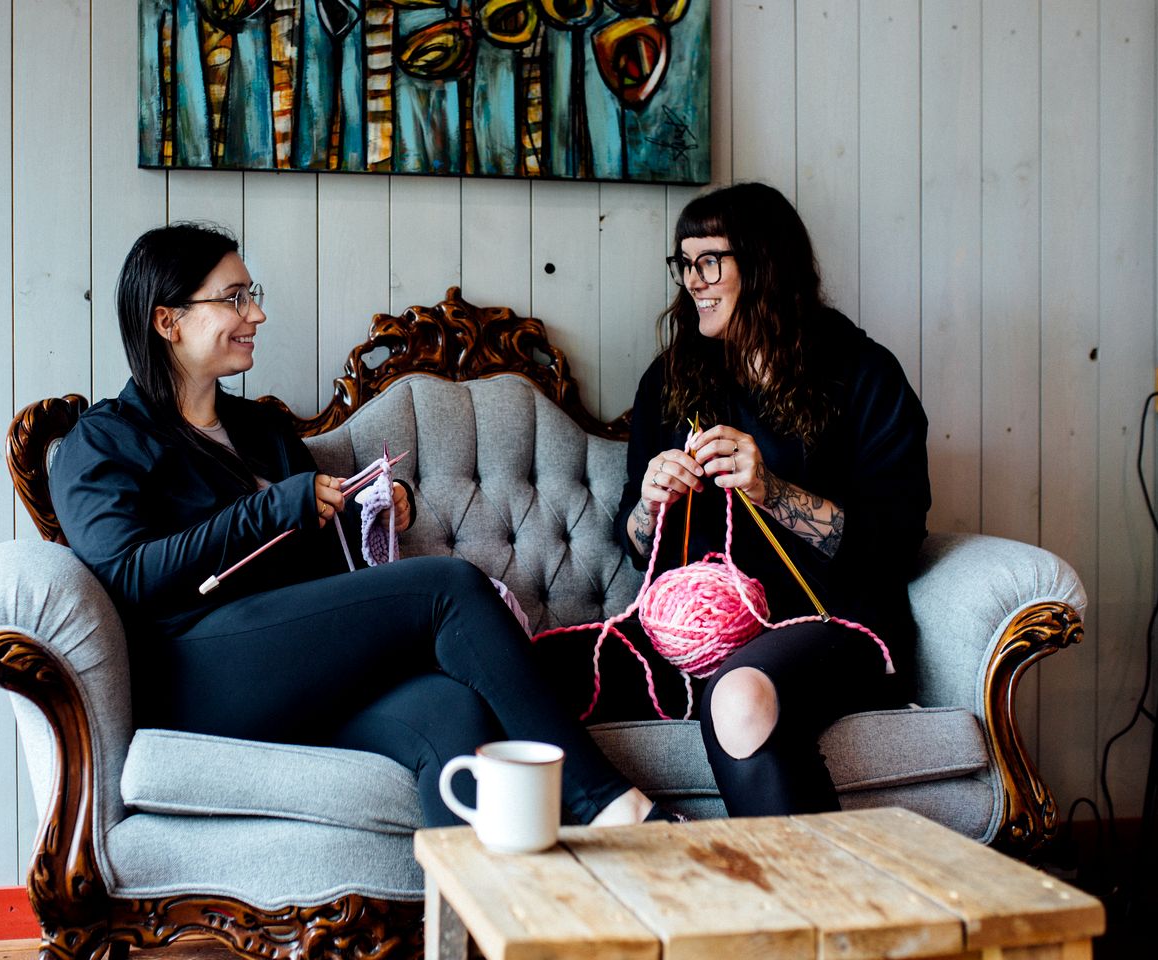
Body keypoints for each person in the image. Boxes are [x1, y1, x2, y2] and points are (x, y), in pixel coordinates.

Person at [49, 222, 667, 828]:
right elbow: (128, 576)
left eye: (252, 296)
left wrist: (374, 508)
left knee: (454, 714)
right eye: (234, 298)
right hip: (199, 675)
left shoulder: (260, 429)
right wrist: (270, 509)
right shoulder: (103, 441)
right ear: (168, 321)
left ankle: (466, 926)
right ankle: (606, 802)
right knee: (447, 588)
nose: (255, 315)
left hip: (301, 664)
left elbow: (320, 562)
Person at [563, 182, 930, 816]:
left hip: (831, 623)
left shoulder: (863, 374)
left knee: (739, 697)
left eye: (710, 261)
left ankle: (810, 911)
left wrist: (773, 490)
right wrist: (651, 505)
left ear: (763, 264)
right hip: (699, 630)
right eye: (684, 264)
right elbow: (633, 543)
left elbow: (897, 538)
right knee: (528, 676)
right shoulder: (673, 379)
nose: (693, 281)